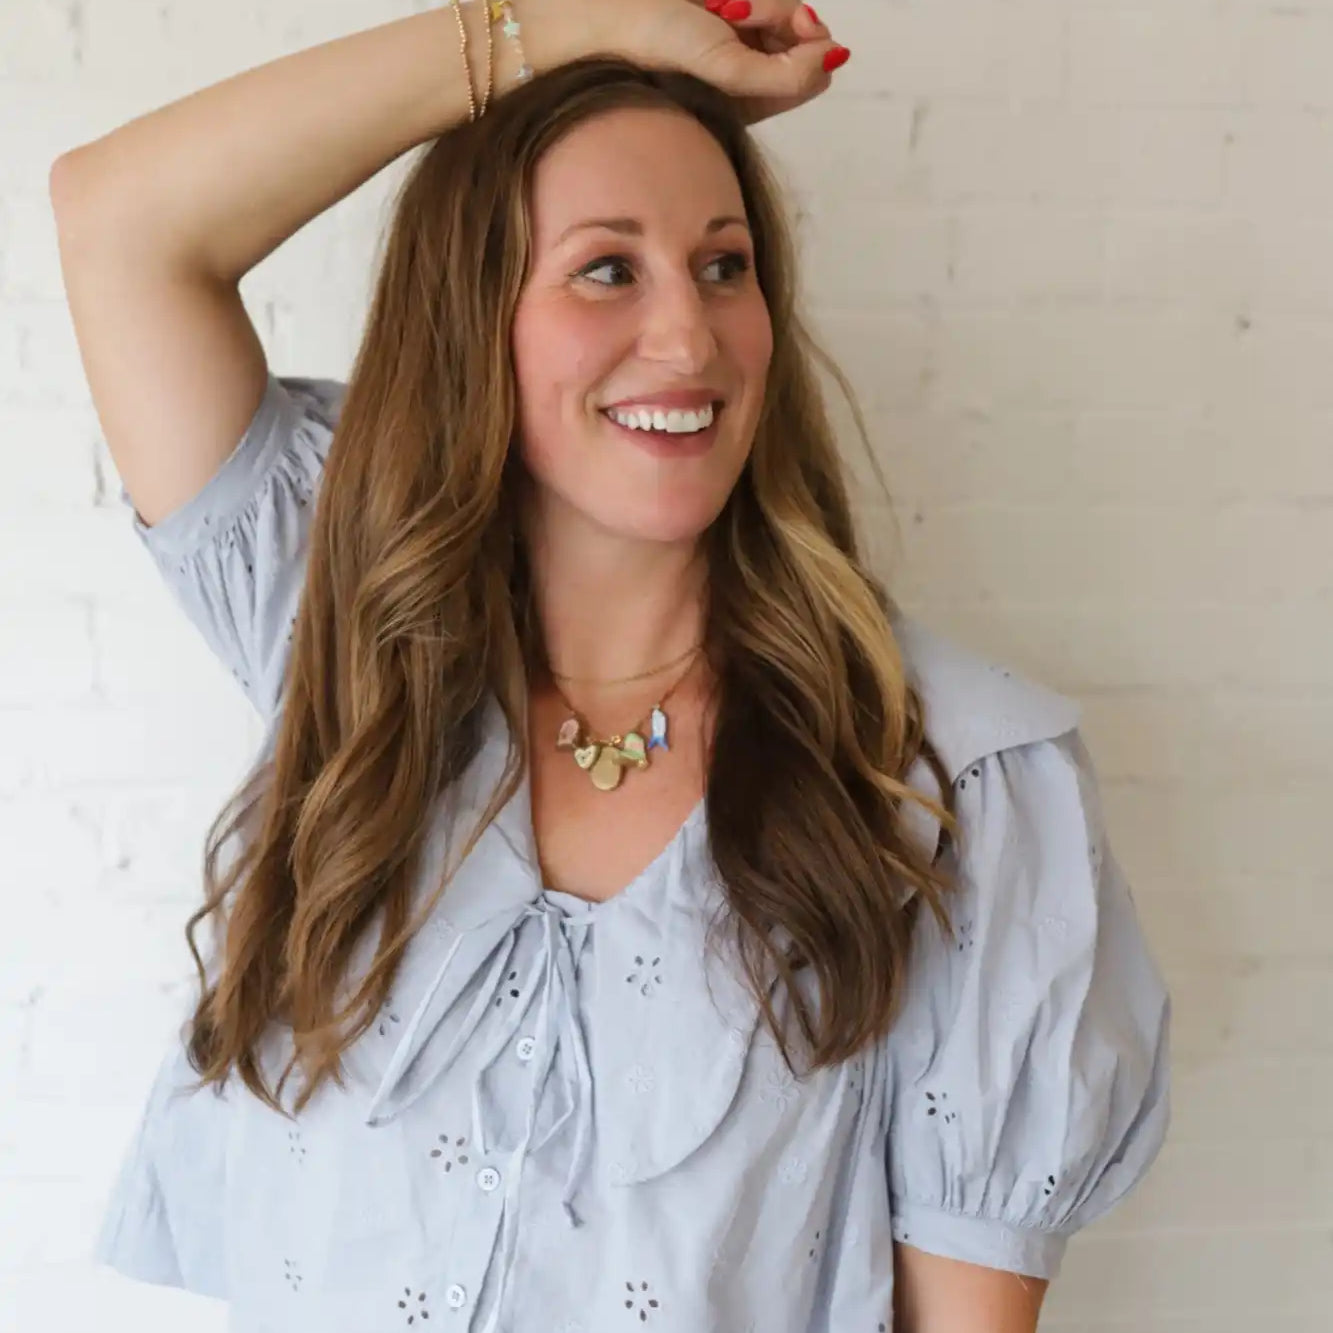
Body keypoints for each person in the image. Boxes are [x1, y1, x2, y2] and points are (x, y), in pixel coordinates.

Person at [51, 2, 1171, 1330]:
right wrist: (574, 27)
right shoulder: (344, 634)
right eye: (604, 269)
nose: (689, 340)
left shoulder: (953, 782)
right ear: (476, 319)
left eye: (722, 265)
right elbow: (120, 220)